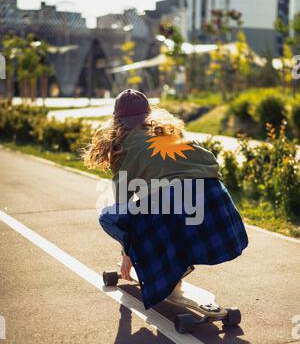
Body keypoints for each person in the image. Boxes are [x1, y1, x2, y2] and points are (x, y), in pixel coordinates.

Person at [84, 89, 248, 310]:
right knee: (171, 212)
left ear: (117, 121)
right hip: (215, 199)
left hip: (171, 203)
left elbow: (124, 210)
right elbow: (208, 166)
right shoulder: (170, 132)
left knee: (109, 216)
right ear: (149, 115)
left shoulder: (122, 148)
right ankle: (176, 266)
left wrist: (128, 254)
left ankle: (163, 265)